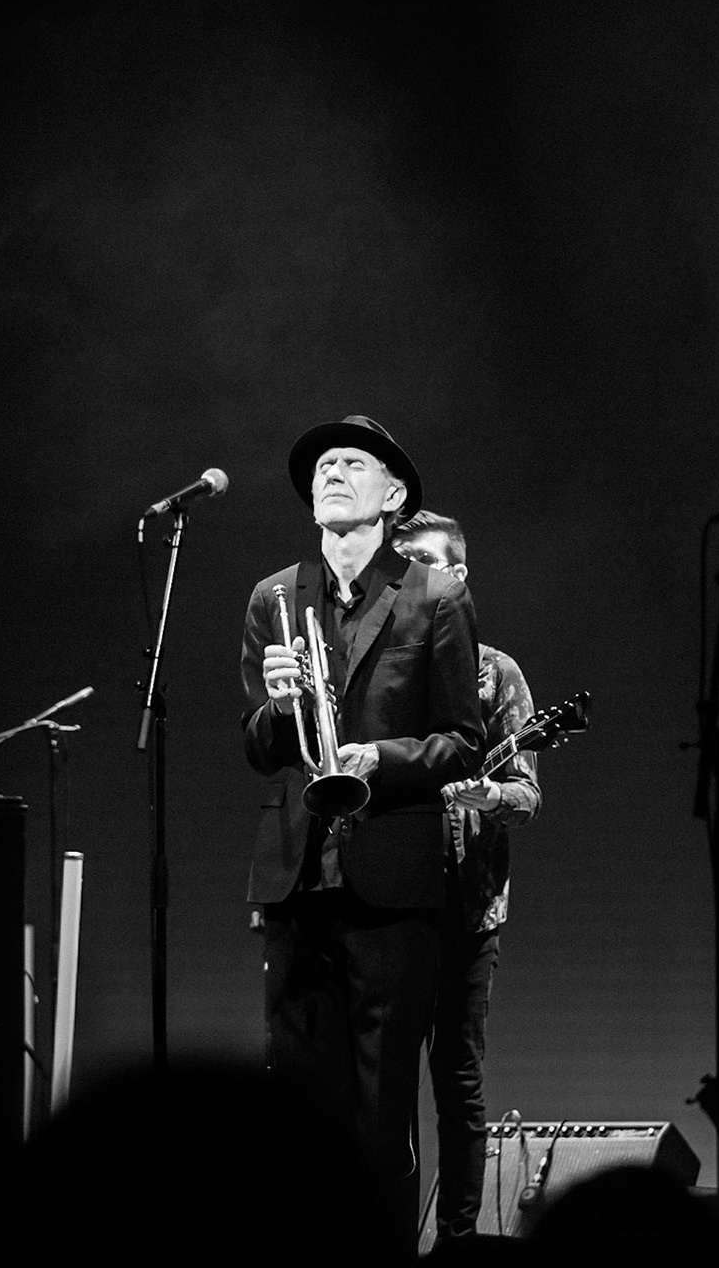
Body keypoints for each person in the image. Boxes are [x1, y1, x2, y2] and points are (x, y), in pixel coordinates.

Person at [241, 416, 484, 1249]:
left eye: (353, 463)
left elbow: (463, 739)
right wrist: (277, 708)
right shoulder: (272, 597)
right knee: (303, 1107)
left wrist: (377, 755)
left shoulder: (435, 594)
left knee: (383, 1110)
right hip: (296, 876)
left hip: (392, 876)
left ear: (394, 495)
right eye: (322, 466)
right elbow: (258, 749)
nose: (332, 473)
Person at [391, 510, 541, 1244]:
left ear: (459, 575)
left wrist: (490, 795)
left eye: (429, 560)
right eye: (406, 561)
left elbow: (527, 791)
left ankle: (457, 1241)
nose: (415, 573)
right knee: (385, 1087)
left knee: (458, 1079)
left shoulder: (496, 671)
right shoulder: (382, 665)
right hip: (388, 902)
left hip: (469, 904)